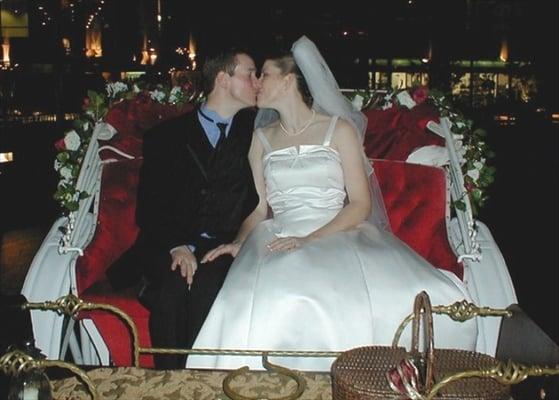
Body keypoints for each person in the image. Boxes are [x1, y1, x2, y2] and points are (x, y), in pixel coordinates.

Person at [185, 36, 477, 372]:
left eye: (263, 74)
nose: (256, 83)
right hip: (279, 233)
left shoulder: (339, 131)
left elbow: (360, 203)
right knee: (273, 291)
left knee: (395, 292)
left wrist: (310, 239)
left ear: (288, 80)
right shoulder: (260, 139)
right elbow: (258, 207)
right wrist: (237, 242)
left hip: (339, 230)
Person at [117, 49, 260, 369]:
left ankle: (202, 381)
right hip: (169, 239)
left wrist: (238, 241)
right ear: (223, 79)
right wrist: (177, 246)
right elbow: (150, 208)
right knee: (170, 291)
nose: (257, 82)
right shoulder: (164, 137)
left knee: (207, 290)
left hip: (225, 244)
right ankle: (170, 384)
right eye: (250, 73)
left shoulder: (255, 134)